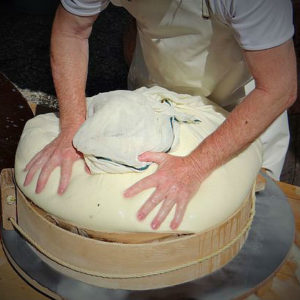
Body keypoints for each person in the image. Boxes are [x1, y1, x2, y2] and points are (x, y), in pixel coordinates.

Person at [24, 0, 297, 230]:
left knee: (252, 223)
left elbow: (278, 88)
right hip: (156, 89)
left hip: (244, 103)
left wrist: (194, 167)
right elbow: (72, 31)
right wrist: (72, 128)